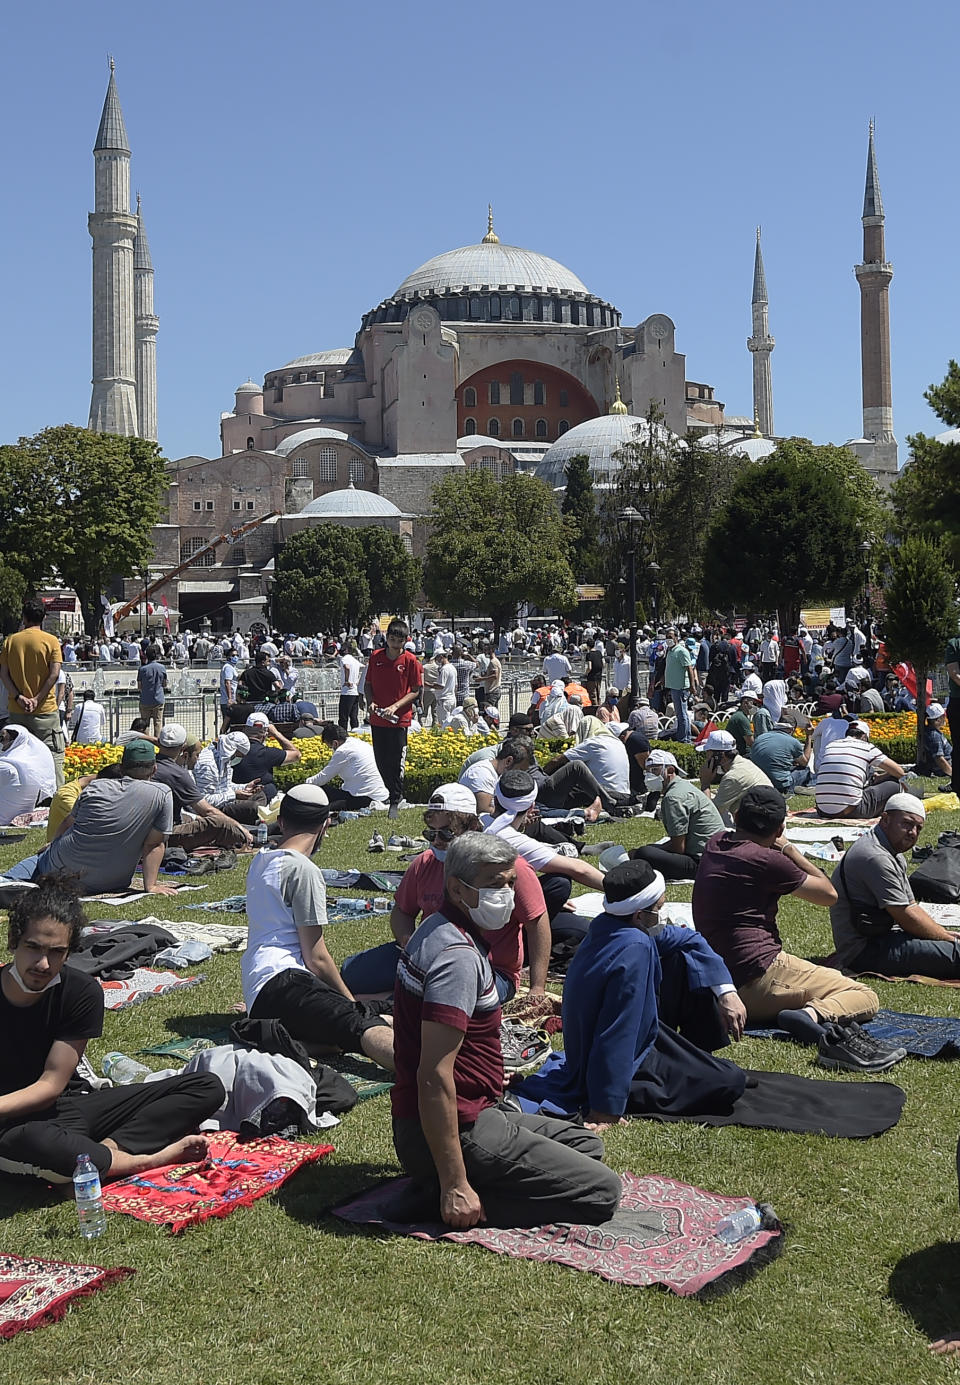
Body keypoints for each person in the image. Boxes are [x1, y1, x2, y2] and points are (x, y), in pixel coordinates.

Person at [390, 832, 621, 1229]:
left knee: (587, 1144)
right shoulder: (457, 957)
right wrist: (454, 1183)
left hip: (480, 1108)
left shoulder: (439, 928)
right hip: (458, 1127)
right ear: (458, 889)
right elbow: (433, 1076)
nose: (508, 894)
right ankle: (444, 1198)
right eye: (495, 885)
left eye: (511, 882)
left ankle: (471, 1180)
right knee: (602, 1192)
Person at [0, 877, 223, 1183]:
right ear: (14, 942)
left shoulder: (80, 991)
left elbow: (51, 1085)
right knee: (35, 1141)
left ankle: (106, 1153)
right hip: (11, 1120)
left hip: (68, 1106)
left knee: (206, 1086)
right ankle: (142, 1161)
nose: (42, 963)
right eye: (33, 948)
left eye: (56, 952)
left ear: (69, 952)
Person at [514, 861, 749, 1125]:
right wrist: (606, 1107)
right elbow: (617, 1031)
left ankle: (691, 1059)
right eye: (658, 910)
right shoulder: (633, 949)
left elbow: (689, 939)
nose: (661, 915)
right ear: (639, 914)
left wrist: (726, 991)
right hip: (618, 1063)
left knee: (681, 957)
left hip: (632, 1041)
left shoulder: (610, 926)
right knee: (730, 1080)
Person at [692, 786, 900, 1072]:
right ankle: (810, 1015)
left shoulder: (716, 842)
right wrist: (790, 849)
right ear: (779, 829)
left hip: (717, 980)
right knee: (864, 995)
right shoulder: (767, 860)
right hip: (756, 976)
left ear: (736, 816)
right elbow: (829, 894)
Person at [341, 783, 551, 1001]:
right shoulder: (425, 862)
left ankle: (388, 1000)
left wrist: (537, 987)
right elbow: (402, 912)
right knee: (350, 972)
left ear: (472, 828)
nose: (437, 841)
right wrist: (409, 942)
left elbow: (537, 922)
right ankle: (389, 997)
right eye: (431, 833)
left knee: (437, 996)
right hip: (427, 956)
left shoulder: (505, 868)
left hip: (490, 968)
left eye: (446, 834)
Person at [241, 785, 394, 1069]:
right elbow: (316, 958)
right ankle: (433, 1074)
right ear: (326, 824)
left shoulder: (260, 860)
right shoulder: (302, 870)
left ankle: (298, 1040)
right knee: (358, 1022)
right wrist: (351, 1005)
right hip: (283, 981)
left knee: (380, 1011)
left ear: (282, 821)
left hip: (260, 987)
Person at [4, 740, 177, 897]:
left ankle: (7, 880)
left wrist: (52, 844)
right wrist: (151, 886)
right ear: (154, 768)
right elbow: (154, 844)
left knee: (40, 860)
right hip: (113, 881)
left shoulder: (95, 786)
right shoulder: (162, 794)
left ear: (122, 767)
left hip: (62, 871)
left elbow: (67, 823)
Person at [830, 793, 960, 979]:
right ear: (885, 819)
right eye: (907, 824)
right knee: (956, 953)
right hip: (864, 951)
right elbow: (906, 916)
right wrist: (948, 938)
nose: (913, 832)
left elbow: (911, 905)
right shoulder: (876, 857)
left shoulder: (891, 852)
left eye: (918, 828)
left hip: (885, 936)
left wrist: (943, 933)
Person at [152, 723, 252, 851]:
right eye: (197, 755)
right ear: (184, 751)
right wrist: (241, 829)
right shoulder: (178, 774)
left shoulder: (152, 765)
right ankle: (248, 837)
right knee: (218, 823)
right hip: (165, 835)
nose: (198, 759)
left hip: (150, 831)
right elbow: (208, 810)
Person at [0, 597, 65, 787]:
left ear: (24, 618)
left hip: (17, 710)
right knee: (54, 757)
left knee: (18, 758)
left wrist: (20, 697)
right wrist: (37, 699)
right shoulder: (51, 641)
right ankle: (56, 803)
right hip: (45, 710)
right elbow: (54, 674)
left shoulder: (10, 641)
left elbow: (4, 674)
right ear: (43, 618)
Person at [631, 749, 723, 881]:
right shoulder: (681, 787)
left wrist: (645, 852)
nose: (650, 775)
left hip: (701, 863)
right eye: (648, 771)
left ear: (670, 770)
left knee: (643, 853)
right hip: (713, 857)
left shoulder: (673, 797)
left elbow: (678, 848)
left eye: (655, 770)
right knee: (648, 850)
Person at [365, 619, 423, 814]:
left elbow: (415, 690)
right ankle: (389, 794)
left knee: (397, 758)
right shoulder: (376, 657)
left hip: (399, 719)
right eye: (392, 639)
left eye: (399, 641)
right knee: (381, 759)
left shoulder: (410, 661)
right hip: (378, 718)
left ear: (405, 641)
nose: (395, 644)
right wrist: (370, 701)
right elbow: (368, 684)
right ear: (386, 638)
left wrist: (395, 706)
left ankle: (395, 799)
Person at [814, 721, 906, 819]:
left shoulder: (831, 745)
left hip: (822, 810)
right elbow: (900, 772)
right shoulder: (867, 747)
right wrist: (885, 776)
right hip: (852, 810)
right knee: (894, 784)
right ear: (864, 737)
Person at [539, 719, 632, 813]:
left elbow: (558, 760)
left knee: (566, 784)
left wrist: (542, 778)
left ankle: (550, 806)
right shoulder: (618, 743)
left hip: (605, 793)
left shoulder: (593, 743)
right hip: (624, 795)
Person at [696, 728, 774, 824]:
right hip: (765, 819)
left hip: (761, 827)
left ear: (719, 757)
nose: (706, 758)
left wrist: (705, 784)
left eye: (708, 754)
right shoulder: (743, 763)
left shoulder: (733, 777)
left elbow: (709, 815)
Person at [305, 723, 389, 811]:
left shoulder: (342, 751)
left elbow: (323, 777)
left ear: (335, 743)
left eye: (330, 747)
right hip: (381, 795)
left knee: (321, 789)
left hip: (362, 797)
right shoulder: (359, 743)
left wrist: (306, 783)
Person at [232, 713, 301, 804]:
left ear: (244, 730)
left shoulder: (231, 750)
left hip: (235, 800)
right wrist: (276, 734)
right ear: (265, 734)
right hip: (262, 800)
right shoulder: (267, 753)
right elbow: (297, 755)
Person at [0, 724, 57, 825]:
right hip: (21, 816)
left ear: (14, 740)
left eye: (2, 738)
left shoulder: (6, 766)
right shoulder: (30, 767)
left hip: (3, 819)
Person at [749, 726, 813, 794]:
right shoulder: (792, 741)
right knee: (806, 770)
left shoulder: (760, 738)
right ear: (792, 729)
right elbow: (804, 762)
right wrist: (809, 735)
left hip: (759, 782)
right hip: (780, 785)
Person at [664, 629, 697, 743]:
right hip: (674, 687)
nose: (668, 639)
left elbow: (689, 668)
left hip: (681, 688)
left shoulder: (682, 651)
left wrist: (692, 686)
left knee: (682, 715)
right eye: (667, 637)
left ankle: (684, 739)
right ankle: (685, 737)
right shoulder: (670, 651)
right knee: (681, 714)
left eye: (671, 637)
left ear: (676, 637)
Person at [135, 645, 167, 737]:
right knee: (158, 723)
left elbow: (139, 687)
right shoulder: (162, 667)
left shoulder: (142, 669)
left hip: (145, 699)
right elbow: (164, 684)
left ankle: (147, 743)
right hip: (158, 699)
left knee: (145, 724)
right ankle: (157, 743)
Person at [916, 701, 953, 781]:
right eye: (943, 716)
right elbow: (939, 758)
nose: (945, 717)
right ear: (938, 720)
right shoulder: (934, 736)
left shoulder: (933, 732)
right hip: (945, 768)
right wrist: (952, 773)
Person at [338, 645, 361, 730]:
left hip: (347, 692)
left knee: (343, 717)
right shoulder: (355, 660)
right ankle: (356, 733)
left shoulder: (345, 659)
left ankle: (342, 735)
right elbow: (364, 667)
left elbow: (346, 667)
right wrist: (359, 680)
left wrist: (347, 680)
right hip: (355, 691)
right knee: (354, 716)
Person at [219, 654, 238, 731]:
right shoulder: (228, 667)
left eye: (237, 655)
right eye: (233, 655)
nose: (236, 657)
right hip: (228, 701)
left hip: (232, 700)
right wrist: (230, 698)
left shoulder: (232, 667)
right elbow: (227, 683)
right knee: (227, 724)